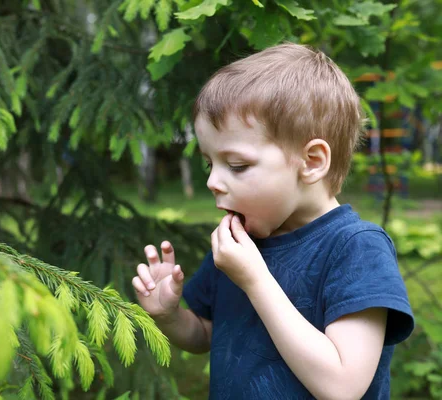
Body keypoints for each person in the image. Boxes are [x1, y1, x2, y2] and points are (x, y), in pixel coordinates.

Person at [131, 43, 414, 399]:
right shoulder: (241, 245)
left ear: (311, 162)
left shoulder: (356, 248)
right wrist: (170, 315)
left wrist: (255, 280)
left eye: (237, 165)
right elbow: (205, 334)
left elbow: (342, 386)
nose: (212, 181)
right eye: (209, 163)